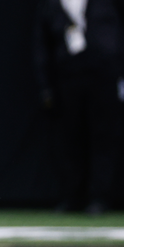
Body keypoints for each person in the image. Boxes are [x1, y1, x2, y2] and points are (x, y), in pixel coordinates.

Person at [32, 0, 124, 215]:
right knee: (69, 140)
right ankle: (71, 196)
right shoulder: (51, 5)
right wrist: (45, 86)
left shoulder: (107, 4)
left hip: (103, 77)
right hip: (67, 78)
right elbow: (40, 44)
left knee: (103, 138)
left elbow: (121, 37)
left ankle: (99, 198)